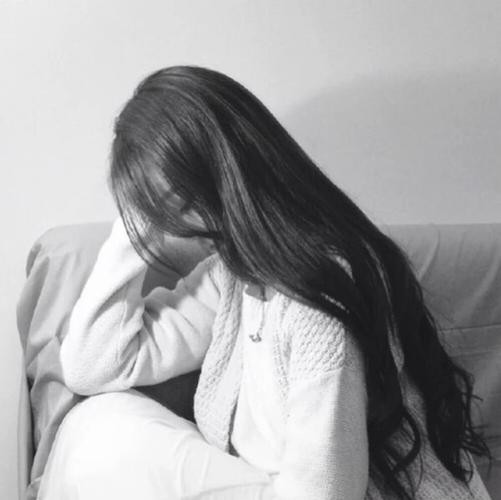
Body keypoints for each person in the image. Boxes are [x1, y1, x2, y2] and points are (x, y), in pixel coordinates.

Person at [38, 66, 492, 500]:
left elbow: (326, 493)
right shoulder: (233, 277)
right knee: (97, 423)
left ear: (224, 173)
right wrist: (137, 218)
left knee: (104, 445)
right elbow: (93, 365)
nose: (172, 224)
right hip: (272, 486)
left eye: (173, 199)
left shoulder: (318, 298)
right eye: (158, 208)